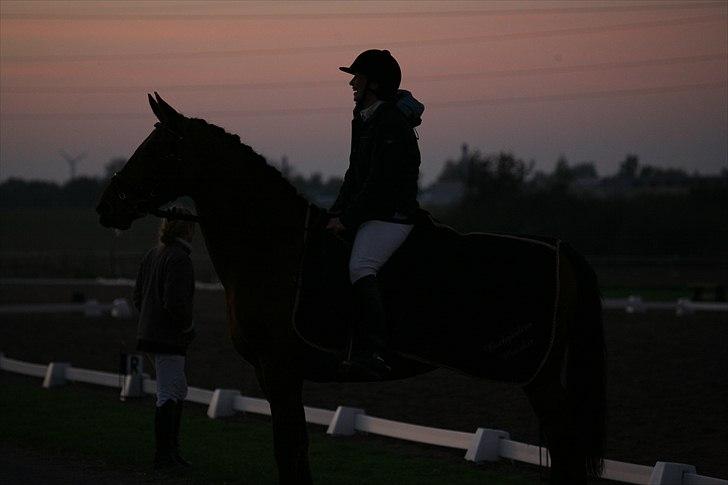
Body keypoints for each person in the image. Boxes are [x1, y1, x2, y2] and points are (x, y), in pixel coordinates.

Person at [327, 49, 424, 378]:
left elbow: (379, 184)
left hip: (392, 215)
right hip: (372, 211)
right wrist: (334, 213)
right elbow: (353, 175)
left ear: (375, 84)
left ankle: (375, 350)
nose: (352, 83)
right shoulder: (363, 118)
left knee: (361, 266)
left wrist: (348, 219)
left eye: (358, 77)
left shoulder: (391, 124)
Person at [133, 206, 196, 470]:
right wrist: (187, 327)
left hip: (149, 334)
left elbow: (138, 296)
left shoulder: (153, 254)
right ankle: (164, 455)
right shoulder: (179, 257)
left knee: (177, 389)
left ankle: (172, 451)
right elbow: (175, 301)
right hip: (168, 337)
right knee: (168, 392)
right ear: (187, 228)